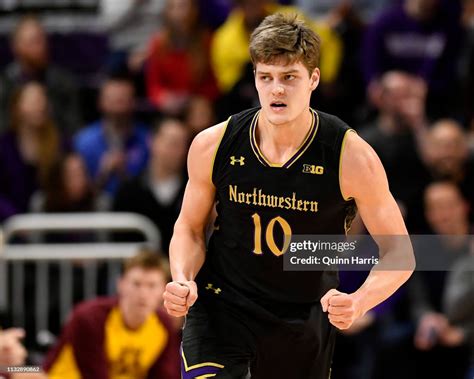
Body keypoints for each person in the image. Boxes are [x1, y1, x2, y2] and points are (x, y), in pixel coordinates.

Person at [163, 13, 415, 378]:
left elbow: (401, 252)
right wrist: (183, 277)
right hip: (223, 302)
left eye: (289, 77)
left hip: (303, 312)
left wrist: (360, 302)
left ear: (313, 79)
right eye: (266, 77)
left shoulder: (350, 155)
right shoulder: (213, 144)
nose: (276, 89)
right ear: (254, 79)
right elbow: (188, 227)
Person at [43, 249, 180, 379]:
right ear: (121, 284)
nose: (143, 294)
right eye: (136, 284)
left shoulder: (163, 324)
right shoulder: (90, 317)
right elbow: (94, 376)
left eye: (152, 286)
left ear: (164, 289)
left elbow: (165, 375)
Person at [74, 77, 149, 195]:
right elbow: (75, 191)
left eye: (123, 99)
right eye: (113, 99)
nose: (118, 106)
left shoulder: (147, 139)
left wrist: (125, 173)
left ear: (133, 102)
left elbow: (153, 186)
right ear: (100, 102)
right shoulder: (83, 141)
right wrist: (103, 173)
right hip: (94, 209)